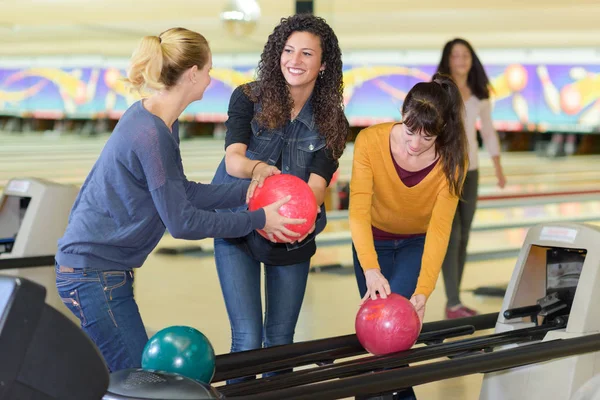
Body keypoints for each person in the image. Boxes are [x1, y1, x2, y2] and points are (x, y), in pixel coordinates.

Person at [54, 27, 304, 373]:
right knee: (138, 383)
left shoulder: (158, 122)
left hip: (100, 271)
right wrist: (258, 219)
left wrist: (249, 191)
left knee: (130, 379)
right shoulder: (150, 134)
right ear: (192, 74)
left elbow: (183, 192)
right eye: (209, 69)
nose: (211, 77)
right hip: (92, 274)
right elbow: (182, 221)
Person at [210, 14, 349, 380]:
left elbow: (318, 187)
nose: (295, 60)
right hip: (239, 221)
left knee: (280, 340)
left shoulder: (332, 121)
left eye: (306, 53)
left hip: (291, 231)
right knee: (248, 338)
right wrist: (258, 169)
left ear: (323, 65)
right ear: (277, 55)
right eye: (288, 50)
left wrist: (299, 218)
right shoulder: (247, 98)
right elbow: (234, 158)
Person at [349, 73, 468, 399]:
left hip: (415, 243)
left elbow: (441, 229)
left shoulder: (452, 161)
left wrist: (424, 291)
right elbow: (358, 211)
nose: (415, 143)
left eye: (428, 137)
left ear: (442, 132)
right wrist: (371, 269)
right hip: (372, 242)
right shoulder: (370, 141)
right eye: (410, 130)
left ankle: (371, 394)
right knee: (379, 334)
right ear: (402, 114)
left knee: (394, 329)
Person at [436, 38, 507, 319]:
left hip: (471, 171)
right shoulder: (440, 88)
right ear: (448, 59)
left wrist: (499, 168)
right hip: (443, 171)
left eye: (465, 54)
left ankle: (455, 299)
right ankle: (453, 302)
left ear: (471, 59)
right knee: (451, 235)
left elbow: (487, 132)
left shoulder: (479, 92)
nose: (461, 59)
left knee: (464, 235)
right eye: (456, 55)